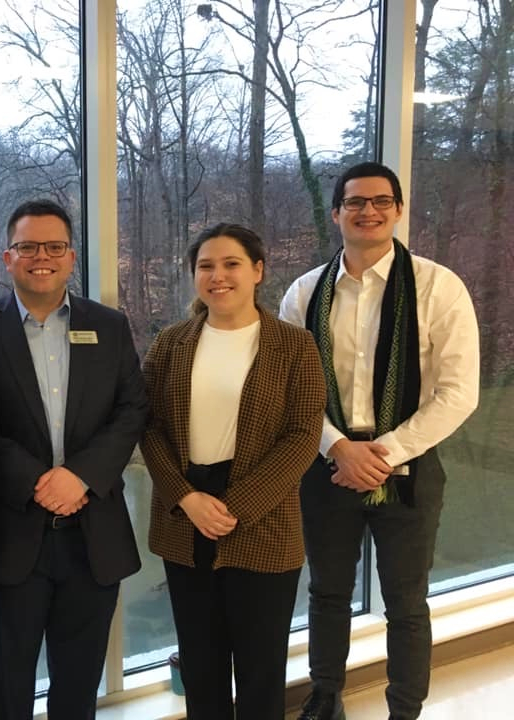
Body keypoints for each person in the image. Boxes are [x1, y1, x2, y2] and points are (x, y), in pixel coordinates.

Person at [280, 162, 480, 720]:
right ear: (338, 212)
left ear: (397, 209)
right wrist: (339, 449)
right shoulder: (303, 293)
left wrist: (383, 453)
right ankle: (325, 699)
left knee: (407, 603)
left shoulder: (439, 287)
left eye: (380, 201)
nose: (368, 211)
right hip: (328, 465)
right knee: (327, 595)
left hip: (408, 463)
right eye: (355, 202)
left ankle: (404, 710)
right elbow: (291, 390)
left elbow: (460, 393)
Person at [0, 199, 147, 719]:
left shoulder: (110, 327)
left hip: (94, 538)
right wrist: (37, 481)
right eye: (27, 247)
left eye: (53, 247)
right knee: (6, 688)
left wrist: (81, 477)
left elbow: (133, 409)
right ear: (8, 258)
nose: (40, 257)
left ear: (71, 257)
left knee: (77, 687)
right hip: (11, 538)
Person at [141, 223, 325, 719]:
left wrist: (234, 507)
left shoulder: (294, 346)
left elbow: (304, 434)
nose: (217, 275)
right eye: (206, 266)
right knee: (201, 668)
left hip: (262, 521)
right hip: (186, 518)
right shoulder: (170, 344)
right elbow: (149, 427)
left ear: (258, 271)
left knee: (261, 669)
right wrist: (185, 496)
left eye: (231, 264)